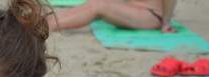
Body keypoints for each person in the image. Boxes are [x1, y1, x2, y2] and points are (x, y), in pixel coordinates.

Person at [47, 0, 177, 33]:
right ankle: (48, 20)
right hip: (135, 8)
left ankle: (49, 25)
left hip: (151, 15)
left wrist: (166, 23)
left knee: (99, 6)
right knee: (96, 2)